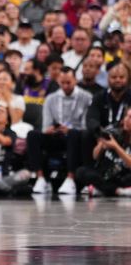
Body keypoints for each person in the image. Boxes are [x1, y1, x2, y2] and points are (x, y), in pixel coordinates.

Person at [27, 67, 92, 195]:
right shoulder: (51, 98)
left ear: (75, 80)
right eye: (62, 82)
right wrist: (50, 130)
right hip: (56, 135)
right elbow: (45, 126)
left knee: (74, 134)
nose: (66, 86)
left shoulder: (86, 97)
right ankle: (41, 178)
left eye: (69, 82)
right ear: (58, 81)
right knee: (33, 135)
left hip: (75, 136)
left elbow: (86, 125)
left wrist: (70, 129)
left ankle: (70, 178)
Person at [76, 108, 131, 197]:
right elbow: (95, 156)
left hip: (124, 176)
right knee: (81, 172)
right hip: (107, 175)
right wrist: (101, 143)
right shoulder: (116, 132)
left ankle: (102, 189)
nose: (127, 120)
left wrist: (116, 147)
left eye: (130, 117)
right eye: (126, 116)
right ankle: (118, 191)